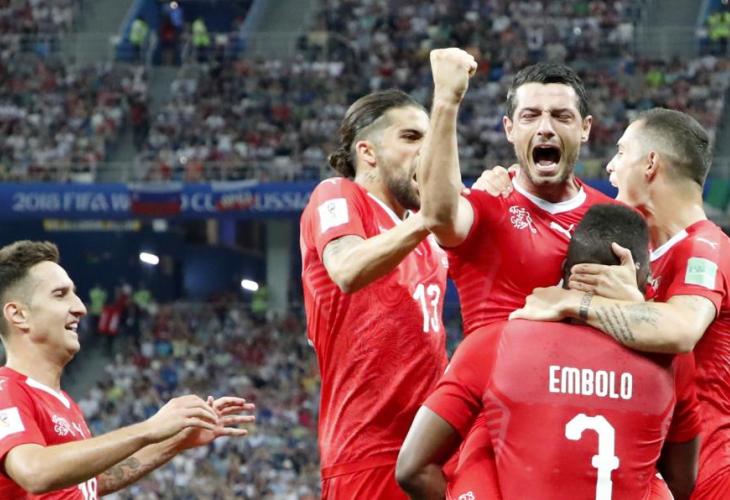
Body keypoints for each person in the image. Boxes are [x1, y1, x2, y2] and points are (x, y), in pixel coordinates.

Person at [396, 204, 702, 500]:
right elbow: (681, 482)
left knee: (480, 448)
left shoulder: (495, 344)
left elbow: (412, 469)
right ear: (642, 278)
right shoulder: (674, 361)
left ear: (565, 271)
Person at [416, 49, 618, 491]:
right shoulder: (489, 203)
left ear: (585, 128)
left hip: (585, 427)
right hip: (494, 432)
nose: (545, 127)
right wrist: (446, 100)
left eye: (561, 116)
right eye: (530, 115)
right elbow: (437, 214)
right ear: (510, 129)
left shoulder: (612, 218)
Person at [511, 108, 730, 499]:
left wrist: (575, 302)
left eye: (622, 152)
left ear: (650, 164)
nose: (611, 165)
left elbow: (681, 330)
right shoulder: (642, 254)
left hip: (712, 476)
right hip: (658, 474)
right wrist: (509, 183)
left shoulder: (705, 247)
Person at [0, 240, 255, 498]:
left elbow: (90, 483)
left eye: (74, 294)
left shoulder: (62, 402)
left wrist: (177, 440)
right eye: (60, 294)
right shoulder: (6, 391)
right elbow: (34, 472)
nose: (80, 308)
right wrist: (149, 428)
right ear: (18, 314)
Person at [299, 89, 449, 499]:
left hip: (431, 451)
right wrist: (428, 218)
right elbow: (347, 269)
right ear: (367, 152)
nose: (427, 151)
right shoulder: (338, 194)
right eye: (411, 137)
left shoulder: (423, 232)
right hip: (368, 453)